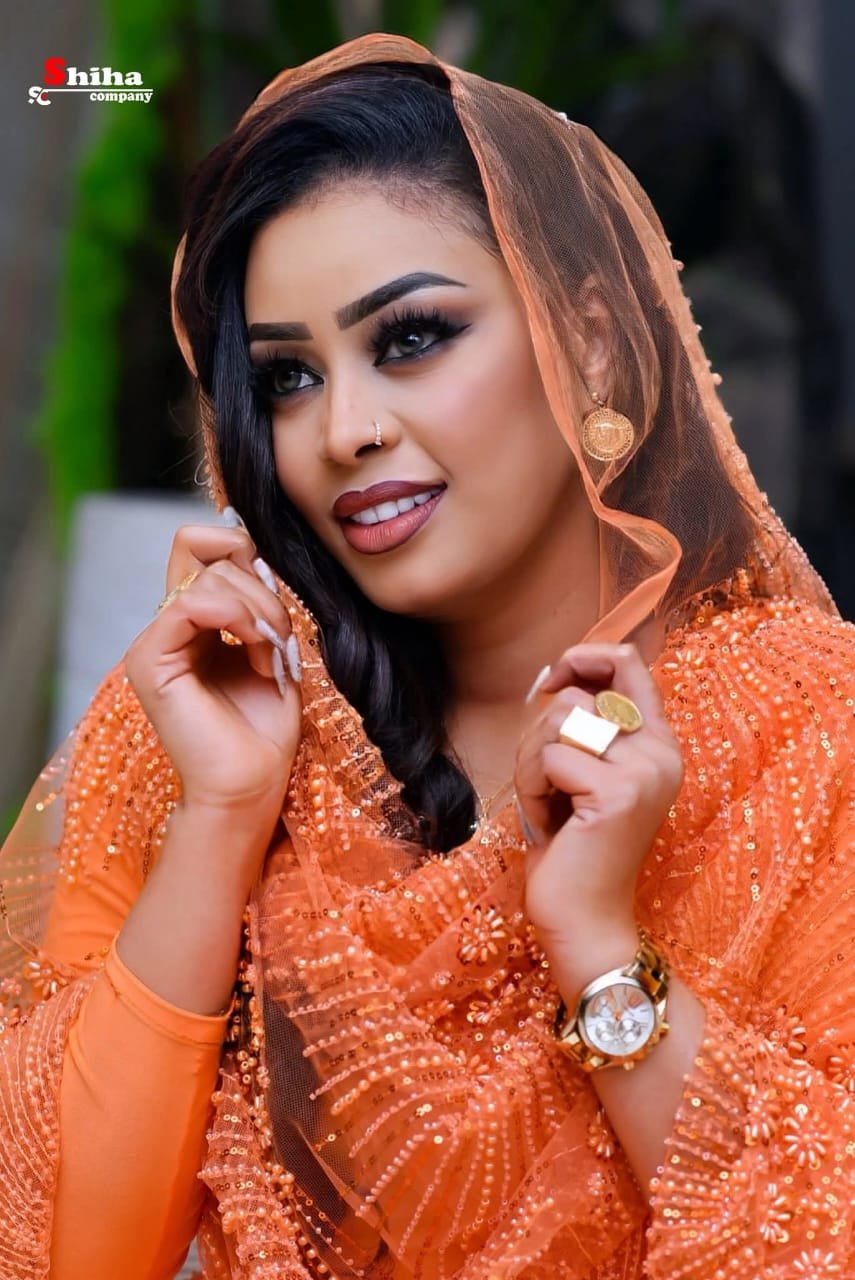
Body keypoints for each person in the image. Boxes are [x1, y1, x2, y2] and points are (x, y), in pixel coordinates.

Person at [1, 30, 853, 1280]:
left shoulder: (810, 733)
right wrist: (221, 823)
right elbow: (60, 1253)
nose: (343, 429)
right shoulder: (218, 718)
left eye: (409, 337)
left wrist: (598, 945)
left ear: (591, 341)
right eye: (286, 377)